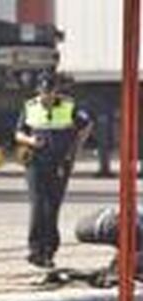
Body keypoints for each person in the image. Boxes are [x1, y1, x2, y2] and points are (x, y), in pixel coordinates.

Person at [15, 72, 93, 269]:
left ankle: (49, 250)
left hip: (59, 163)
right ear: (38, 91)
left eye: (50, 92)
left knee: (52, 207)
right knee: (37, 204)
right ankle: (35, 250)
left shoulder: (69, 106)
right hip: (35, 162)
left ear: (56, 91)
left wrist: (75, 149)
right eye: (43, 92)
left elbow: (86, 125)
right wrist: (31, 140)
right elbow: (18, 133)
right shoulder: (30, 106)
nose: (46, 96)